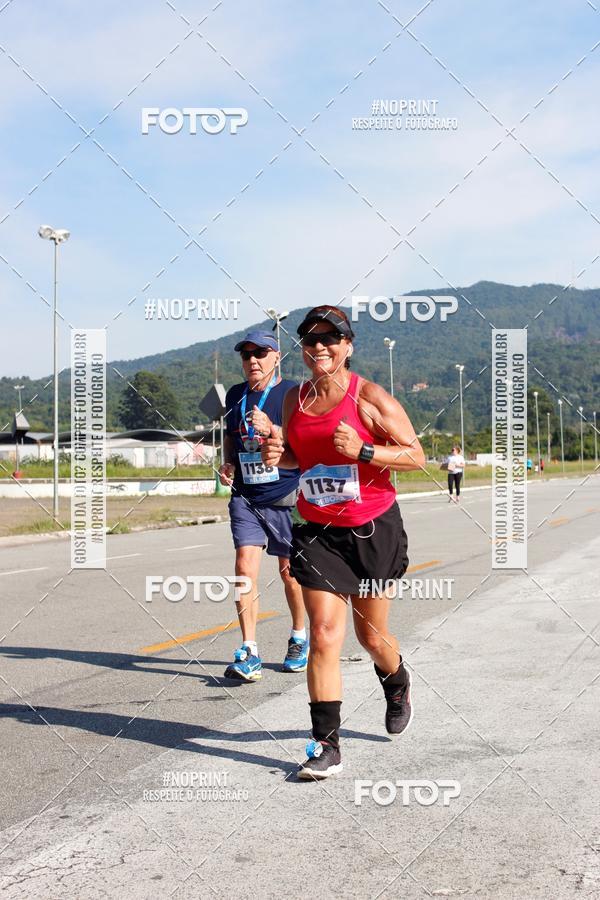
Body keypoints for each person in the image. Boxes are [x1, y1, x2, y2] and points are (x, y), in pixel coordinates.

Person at [261, 306, 426, 779]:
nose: (320, 347)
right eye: (310, 340)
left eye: (330, 339)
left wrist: (366, 450)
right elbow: (299, 457)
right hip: (317, 533)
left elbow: (417, 456)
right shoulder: (294, 399)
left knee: (371, 638)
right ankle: (325, 744)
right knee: (325, 636)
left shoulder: (371, 398)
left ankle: (395, 681)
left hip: (372, 529)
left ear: (348, 346)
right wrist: (281, 454)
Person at [218, 330, 308, 682]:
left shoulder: (292, 393)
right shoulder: (235, 394)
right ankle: (249, 649)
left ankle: (299, 636)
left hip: (287, 494)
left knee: (290, 573)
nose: (252, 360)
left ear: (277, 357)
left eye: (260, 353)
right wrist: (228, 463)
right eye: (246, 355)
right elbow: (230, 435)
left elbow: (303, 440)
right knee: (244, 567)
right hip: (246, 494)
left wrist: (273, 428)